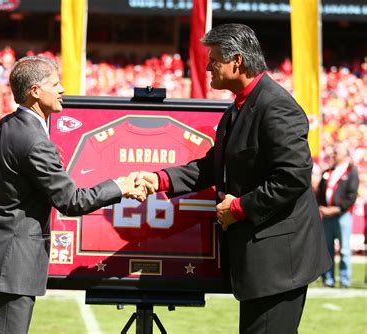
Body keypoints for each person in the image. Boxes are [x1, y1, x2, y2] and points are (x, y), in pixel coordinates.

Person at [135, 24, 331, 333]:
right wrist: (159, 180)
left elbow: (293, 176)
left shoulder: (275, 105)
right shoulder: (239, 105)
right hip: (263, 265)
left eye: (213, 59)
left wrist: (238, 208)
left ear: (236, 61)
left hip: (279, 263)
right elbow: (214, 165)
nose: (207, 66)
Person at [0, 56, 149, 334]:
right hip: (12, 263)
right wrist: (121, 186)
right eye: (55, 83)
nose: (62, 89)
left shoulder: (0, 127)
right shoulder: (35, 140)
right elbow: (71, 200)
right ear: (35, 91)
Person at [316, 142, 359, 288]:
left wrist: (338, 209)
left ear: (345, 155)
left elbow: (351, 195)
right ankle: (328, 279)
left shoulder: (351, 171)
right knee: (327, 250)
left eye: (336, 153)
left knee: (344, 249)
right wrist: (321, 207)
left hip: (342, 216)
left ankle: (344, 280)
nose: (333, 155)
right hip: (327, 216)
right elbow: (320, 191)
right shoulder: (328, 171)